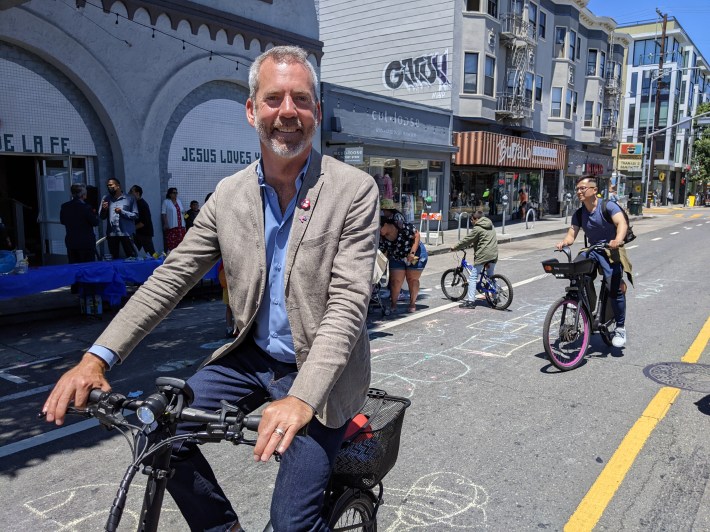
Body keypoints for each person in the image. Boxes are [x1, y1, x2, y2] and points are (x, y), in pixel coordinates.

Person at [42, 45, 379, 532]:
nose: (288, 111)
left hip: (318, 370)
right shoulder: (228, 194)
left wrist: (302, 399)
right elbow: (170, 278)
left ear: (317, 112)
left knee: (291, 525)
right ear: (251, 110)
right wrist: (97, 357)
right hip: (251, 357)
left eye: (301, 100)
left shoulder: (353, 189)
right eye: (274, 98)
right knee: (158, 431)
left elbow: (348, 305)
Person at [556, 176, 633, 348]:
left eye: (583, 188)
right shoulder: (579, 213)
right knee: (575, 270)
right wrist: (565, 242)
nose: (579, 192)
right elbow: (572, 233)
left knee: (614, 286)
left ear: (594, 190)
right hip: (592, 250)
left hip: (611, 249)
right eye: (577, 189)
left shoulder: (608, 206)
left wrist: (618, 239)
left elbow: (621, 223)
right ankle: (586, 306)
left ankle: (620, 328)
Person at [450, 210, 498, 309]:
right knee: (490, 276)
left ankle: (470, 301)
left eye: (472, 220)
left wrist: (455, 247)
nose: (472, 222)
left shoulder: (477, 228)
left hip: (483, 255)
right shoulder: (490, 225)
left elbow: (467, 239)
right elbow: (484, 239)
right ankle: (496, 297)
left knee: (473, 277)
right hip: (493, 254)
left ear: (476, 219)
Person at [379, 217, 427, 313]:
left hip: (415, 254)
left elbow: (417, 235)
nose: (377, 232)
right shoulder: (381, 237)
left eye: (378, 229)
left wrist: (412, 253)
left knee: (412, 279)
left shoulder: (402, 226)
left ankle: (412, 303)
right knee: (395, 281)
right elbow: (383, 252)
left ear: (385, 225)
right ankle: (393, 304)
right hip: (397, 257)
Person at [59, 183, 99, 263]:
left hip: (71, 242)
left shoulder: (65, 206)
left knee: (74, 266)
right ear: (83, 194)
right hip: (86, 243)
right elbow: (95, 222)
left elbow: (62, 221)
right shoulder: (86, 207)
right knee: (88, 267)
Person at [99, 178, 138, 259]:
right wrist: (104, 209)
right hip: (112, 234)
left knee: (131, 257)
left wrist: (122, 212)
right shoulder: (106, 198)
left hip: (126, 233)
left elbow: (135, 215)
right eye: (107, 186)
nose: (109, 187)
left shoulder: (130, 198)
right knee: (113, 257)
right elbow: (102, 217)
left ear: (118, 186)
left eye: (111, 185)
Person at [128, 185, 156, 256]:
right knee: (132, 252)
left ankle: (158, 264)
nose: (129, 193)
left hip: (145, 234)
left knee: (152, 253)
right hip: (137, 233)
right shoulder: (135, 204)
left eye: (131, 191)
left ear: (137, 193)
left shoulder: (143, 205)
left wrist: (131, 228)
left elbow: (143, 222)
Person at [161, 187, 186, 251]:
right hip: (172, 226)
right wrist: (166, 223)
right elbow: (163, 213)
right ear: (170, 194)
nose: (175, 194)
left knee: (181, 242)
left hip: (181, 226)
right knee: (172, 243)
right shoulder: (166, 202)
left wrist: (185, 218)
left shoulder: (179, 201)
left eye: (176, 193)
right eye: (173, 193)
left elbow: (182, 211)